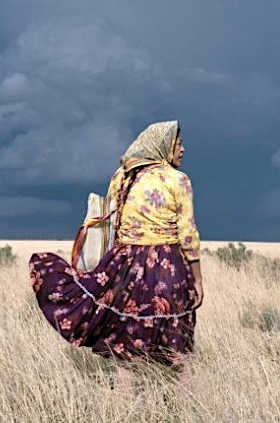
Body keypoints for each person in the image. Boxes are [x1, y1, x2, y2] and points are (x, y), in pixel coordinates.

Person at [29, 120, 203, 390]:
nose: (183, 149)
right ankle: (187, 410)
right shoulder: (177, 180)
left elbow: (111, 223)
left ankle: (121, 414)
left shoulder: (122, 176)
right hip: (167, 265)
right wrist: (198, 280)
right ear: (163, 145)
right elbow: (188, 233)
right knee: (178, 347)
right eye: (178, 143)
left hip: (125, 266)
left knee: (125, 353)